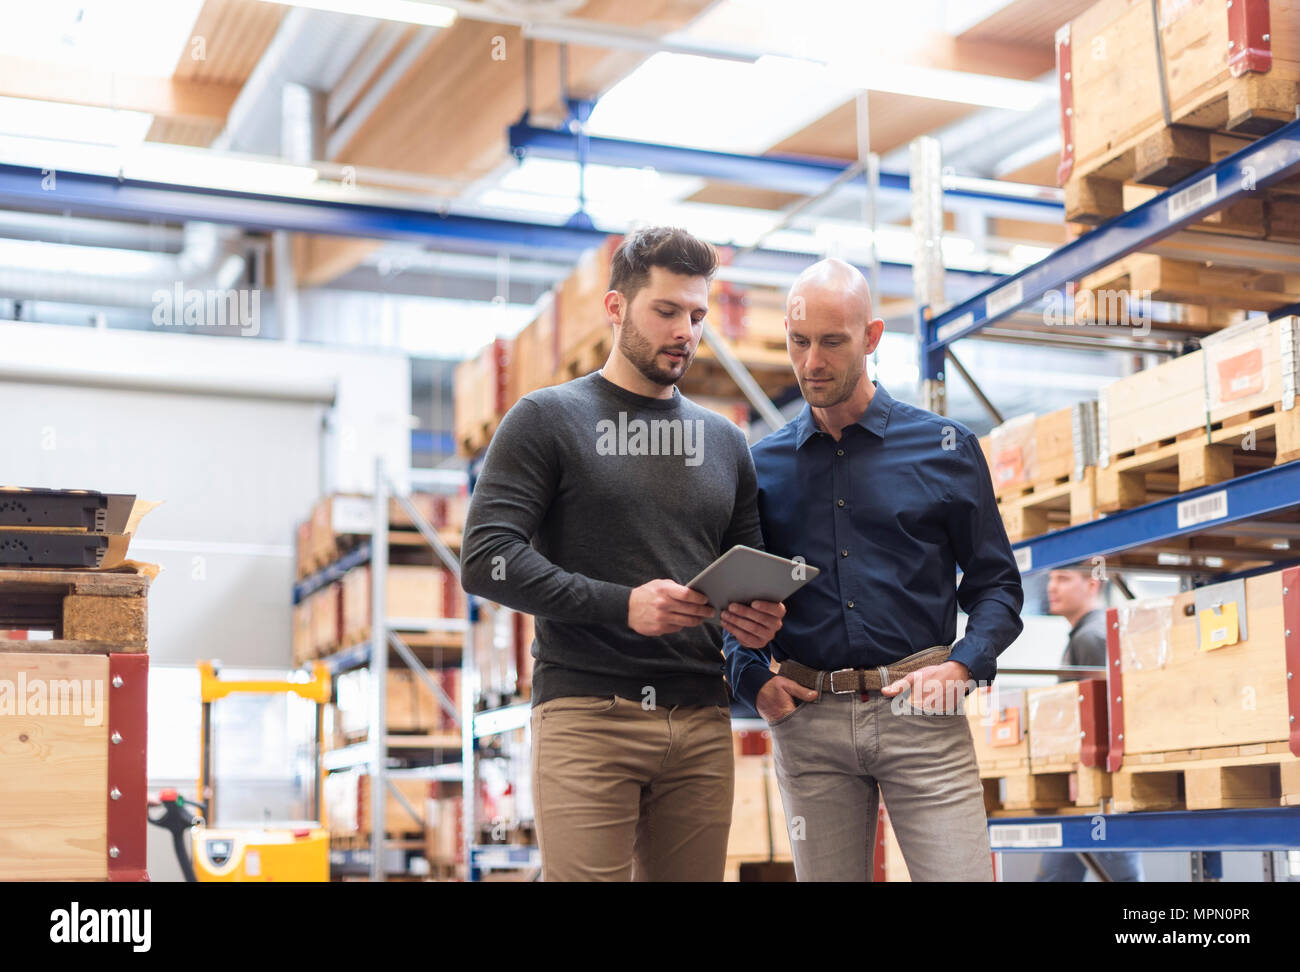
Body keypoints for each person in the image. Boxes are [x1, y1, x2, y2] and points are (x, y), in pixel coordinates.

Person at [459, 226, 785, 881]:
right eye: (665, 311)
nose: (684, 332)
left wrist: (757, 621)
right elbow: (485, 557)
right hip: (587, 716)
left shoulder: (724, 442)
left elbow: (746, 570)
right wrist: (621, 605)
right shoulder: (546, 419)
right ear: (616, 308)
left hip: (699, 719)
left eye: (696, 315)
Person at [722, 257, 1024, 882]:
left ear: (873, 337)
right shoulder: (761, 468)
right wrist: (753, 681)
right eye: (799, 342)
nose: (812, 363)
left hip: (922, 709)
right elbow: (736, 603)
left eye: (833, 342)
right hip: (809, 723)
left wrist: (965, 665)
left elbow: (996, 585)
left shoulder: (945, 449)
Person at [1035, 567, 1144, 882]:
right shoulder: (1087, 633)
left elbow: (1107, 710)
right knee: (1055, 877)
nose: (1052, 588)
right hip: (1085, 785)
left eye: (1064, 579)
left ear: (1092, 583)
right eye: (1051, 579)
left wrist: (1084, 769)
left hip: (1096, 786)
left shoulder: (1091, 637)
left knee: (1122, 876)